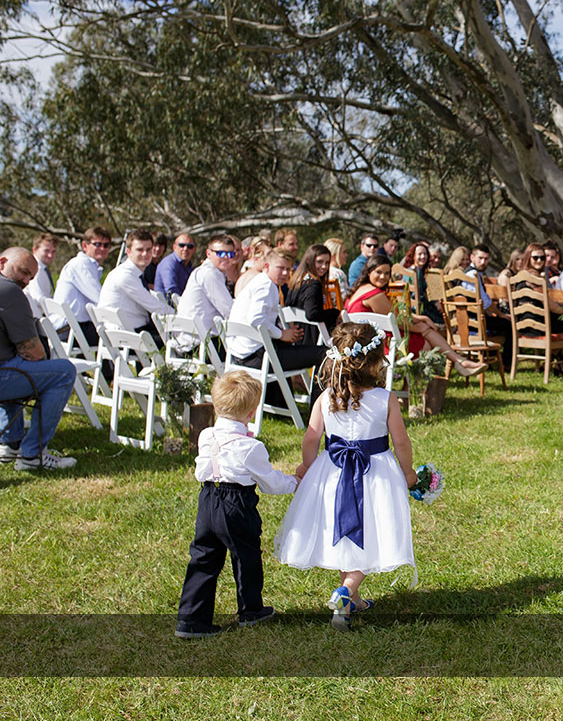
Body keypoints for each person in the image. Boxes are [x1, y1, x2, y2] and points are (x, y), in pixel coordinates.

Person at [274, 322, 419, 629]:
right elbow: (401, 441)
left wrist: (306, 466)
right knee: (371, 534)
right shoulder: (385, 398)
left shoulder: (326, 397)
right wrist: (407, 472)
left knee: (346, 535)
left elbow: (311, 437)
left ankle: (351, 601)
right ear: (376, 360)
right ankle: (347, 590)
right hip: (375, 473)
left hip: (333, 473)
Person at [174, 371, 298, 638]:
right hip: (236, 504)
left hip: (207, 500)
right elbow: (270, 483)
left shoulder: (206, 436)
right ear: (252, 412)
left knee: (203, 558)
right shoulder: (250, 447)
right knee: (246, 556)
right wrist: (295, 482)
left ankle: (191, 620)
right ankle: (250, 609)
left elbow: (200, 471)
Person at [0, 247, 78, 470]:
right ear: (2, 262)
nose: (26, 280)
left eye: (31, 277)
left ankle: (9, 445)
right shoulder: (8, 290)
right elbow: (34, 352)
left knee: (13, 363)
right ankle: (32, 455)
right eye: (23, 272)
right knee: (63, 372)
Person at [344, 255, 488, 376]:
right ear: (369, 272)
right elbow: (399, 322)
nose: (383, 277)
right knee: (424, 343)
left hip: (364, 342)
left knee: (424, 330)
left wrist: (422, 319)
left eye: (387, 273)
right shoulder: (374, 295)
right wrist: (421, 327)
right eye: (379, 272)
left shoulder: (360, 290)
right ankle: (458, 363)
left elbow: (396, 316)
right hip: (377, 346)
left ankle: (459, 362)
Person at [225, 250, 327, 407]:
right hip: (256, 358)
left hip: (240, 355)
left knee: (290, 348)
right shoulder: (266, 286)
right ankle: (317, 410)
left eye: (288, 269)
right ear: (267, 266)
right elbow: (256, 320)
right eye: (281, 268)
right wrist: (281, 334)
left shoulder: (259, 281)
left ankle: (279, 404)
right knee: (324, 354)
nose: (285, 273)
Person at [97, 229, 171, 343]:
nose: (145, 254)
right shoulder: (125, 276)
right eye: (139, 250)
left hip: (129, 332)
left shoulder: (132, 274)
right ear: (128, 252)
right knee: (179, 343)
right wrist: (181, 319)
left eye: (148, 250)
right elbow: (153, 306)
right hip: (126, 337)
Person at [173, 234, 239, 353]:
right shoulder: (210, 274)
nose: (226, 258)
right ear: (208, 253)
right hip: (199, 346)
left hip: (192, 341)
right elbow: (228, 311)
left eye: (230, 254)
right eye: (220, 253)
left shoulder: (206, 271)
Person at [52, 225, 111, 347]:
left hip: (74, 328)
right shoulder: (82, 265)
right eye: (97, 244)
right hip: (69, 330)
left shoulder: (91, 267)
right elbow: (100, 299)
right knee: (119, 338)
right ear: (85, 246)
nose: (102, 248)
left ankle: (104, 366)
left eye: (106, 245)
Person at [462, 245, 513, 367]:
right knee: (508, 324)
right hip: (474, 323)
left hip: (468, 320)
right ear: (472, 257)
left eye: (486, 259)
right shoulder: (473, 275)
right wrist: (501, 315)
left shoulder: (466, 273)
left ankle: (491, 357)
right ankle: (507, 364)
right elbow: (486, 302)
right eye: (480, 258)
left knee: (501, 321)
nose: (483, 262)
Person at [283, 244, 341, 346]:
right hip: (310, 339)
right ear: (309, 260)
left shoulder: (298, 280)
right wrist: (334, 313)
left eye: (327, 263)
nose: (324, 266)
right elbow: (312, 314)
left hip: (298, 338)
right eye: (319, 262)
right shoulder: (313, 284)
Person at [399, 242, 444, 325]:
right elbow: (420, 298)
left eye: (425, 254)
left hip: (408, 308)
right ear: (414, 256)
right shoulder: (416, 272)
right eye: (420, 254)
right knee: (445, 319)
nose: (423, 257)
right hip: (417, 310)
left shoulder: (409, 270)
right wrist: (435, 304)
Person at [23, 233, 57, 328]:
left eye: (53, 251)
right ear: (35, 249)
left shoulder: (42, 269)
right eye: (46, 251)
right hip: (40, 322)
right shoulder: (36, 270)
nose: (50, 255)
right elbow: (38, 299)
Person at [154, 233, 197, 298]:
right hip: (167, 306)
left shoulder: (189, 266)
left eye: (190, 246)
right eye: (181, 245)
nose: (185, 249)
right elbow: (171, 290)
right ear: (174, 247)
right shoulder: (169, 263)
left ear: (194, 249)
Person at [323, 237, 350, 304]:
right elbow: (345, 297)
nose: (346, 255)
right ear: (334, 255)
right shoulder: (338, 273)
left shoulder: (321, 272)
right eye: (344, 252)